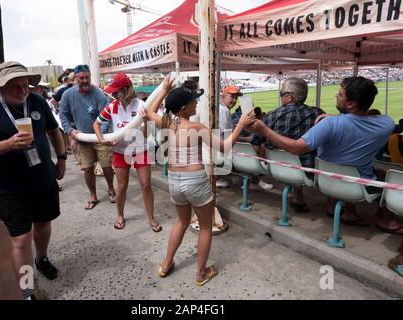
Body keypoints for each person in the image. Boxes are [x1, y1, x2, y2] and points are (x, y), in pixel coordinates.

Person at [0, 61, 66, 300]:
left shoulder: (37, 101)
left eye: (25, 86)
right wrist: (8, 144)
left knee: (43, 225)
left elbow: (53, 130)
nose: (23, 91)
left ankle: (41, 258)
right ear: (0, 87)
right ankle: (28, 291)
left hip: (43, 180)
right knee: (21, 240)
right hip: (11, 188)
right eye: (15, 86)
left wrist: (61, 158)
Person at [248, 76, 399, 232]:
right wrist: (343, 117)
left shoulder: (329, 124)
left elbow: (296, 148)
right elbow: (369, 117)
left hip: (326, 181)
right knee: (383, 175)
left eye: (340, 94)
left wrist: (264, 130)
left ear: (351, 103)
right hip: (355, 183)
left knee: (350, 166)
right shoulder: (386, 123)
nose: (336, 95)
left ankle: (347, 211)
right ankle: (383, 219)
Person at [143, 76, 254, 286]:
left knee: (181, 222)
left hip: (174, 181)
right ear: (185, 108)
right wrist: (241, 124)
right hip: (195, 180)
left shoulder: (167, 123)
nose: (196, 103)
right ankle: (201, 274)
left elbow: (149, 113)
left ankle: (166, 265)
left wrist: (164, 90)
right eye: (193, 101)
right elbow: (224, 147)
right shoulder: (196, 128)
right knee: (205, 227)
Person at [93, 72, 161, 232]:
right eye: (113, 92)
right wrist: (102, 139)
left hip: (140, 149)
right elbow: (96, 124)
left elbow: (146, 135)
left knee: (146, 185)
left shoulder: (141, 106)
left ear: (127, 89)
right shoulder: (112, 106)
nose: (114, 95)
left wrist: (145, 121)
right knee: (121, 186)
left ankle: (151, 218)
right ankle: (120, 215)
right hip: (120, 151)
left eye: (117, 91)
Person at [250, 78, 324, 211]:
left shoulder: (271, 116)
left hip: (278, 169)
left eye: (281, 93)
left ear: (289, 97)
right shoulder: (318, 114)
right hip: (310, 170)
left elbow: (255, 141)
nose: (281, 97)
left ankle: (298, 197)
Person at [60, 64, 116, 208]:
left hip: (100, 137)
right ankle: (93, 195)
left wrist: (101, 135)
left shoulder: (97, 93)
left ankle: (111, 188)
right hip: (82, 138)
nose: (85, 80)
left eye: (87, 77)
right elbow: (63, 115)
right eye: (81, 78)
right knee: (87, 168)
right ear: (75, 78)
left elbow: (105, 115)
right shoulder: (67, 94)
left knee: (106, 166)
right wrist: (70, 131)